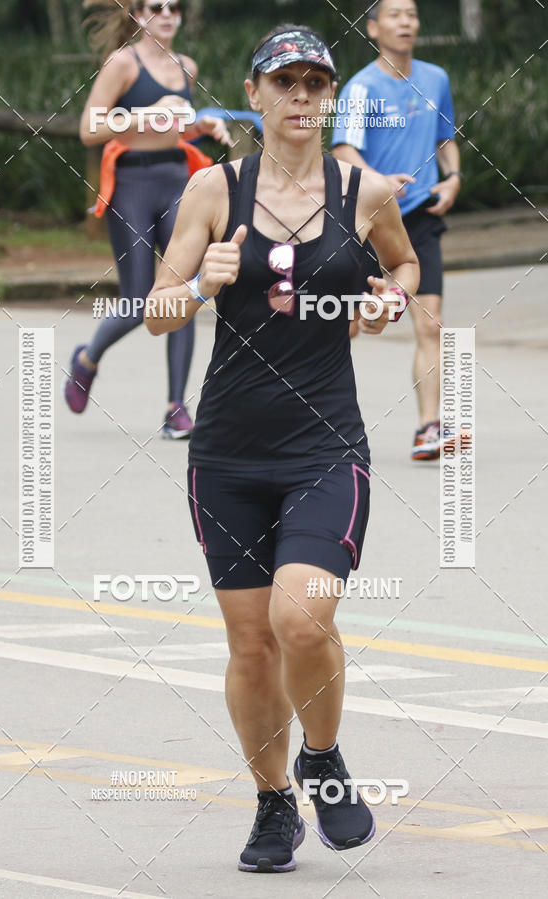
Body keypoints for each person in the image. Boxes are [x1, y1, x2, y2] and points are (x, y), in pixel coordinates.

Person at [145, 24, 419, 872]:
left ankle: (323, 758)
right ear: (255, 95)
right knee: (250, 642)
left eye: (316, 83)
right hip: (227, 451)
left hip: (325, 443)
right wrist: (200, 283)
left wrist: (387, 302)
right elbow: (156, 309)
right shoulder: (212, 190)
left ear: (330, 95)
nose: (302, 97)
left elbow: (404, 269)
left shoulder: (363, 189)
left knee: (302, 618)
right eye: (286, 82)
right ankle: (272, 806)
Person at [64, 0, 231, 437]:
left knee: (182, 292)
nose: (168, 13)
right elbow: (89, 128)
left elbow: (175, 129)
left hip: (179, 180)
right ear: (138, 15)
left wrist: (202, 128)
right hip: (132, 185)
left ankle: (176, 407)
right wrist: (145, 113)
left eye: (175, 6)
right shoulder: (123, 63)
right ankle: (87, 358)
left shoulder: (187, 66)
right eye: (157, 6)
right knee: (140, 302)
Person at [332, 0, 461, 461]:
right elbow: (344, 150)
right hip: (369, 220)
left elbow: (446, 137)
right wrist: (380, 183)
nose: (405, 22)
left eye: (411, 14)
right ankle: (306, 421)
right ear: (373, 27)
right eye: (394, 14)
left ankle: (429, 428)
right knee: (344, 327)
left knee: (430, 325)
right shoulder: (361, 88)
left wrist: (454, 177)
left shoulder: (435, 79)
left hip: (421, 219)